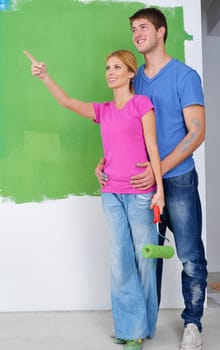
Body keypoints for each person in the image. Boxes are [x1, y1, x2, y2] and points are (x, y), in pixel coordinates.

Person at [24, 49, 165, 350]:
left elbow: (153, 147)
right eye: (107, 68)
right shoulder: (104, 110)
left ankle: (144, 324)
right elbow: (67, 102)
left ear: (130, 73)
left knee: (145, 260)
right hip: (111, 192)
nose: (110, 72)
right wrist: (44, 76)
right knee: (119, 260)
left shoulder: (142, 104)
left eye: (117, 67)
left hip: (140, 193)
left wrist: (159, 190)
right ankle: (131, 328)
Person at [95, 7, 207, 350]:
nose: (137, 33)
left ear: (161, 32)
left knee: (188, 254)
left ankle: (192, 323)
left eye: (143, 27)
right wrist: (107, 159)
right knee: (146, 257)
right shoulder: (134, 77)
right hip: (139, 187)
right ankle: (142, 326)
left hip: (179, 181)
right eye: (133, 29)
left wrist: (158, 171)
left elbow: (197, 132)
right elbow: (125, 126)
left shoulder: (184, 76)